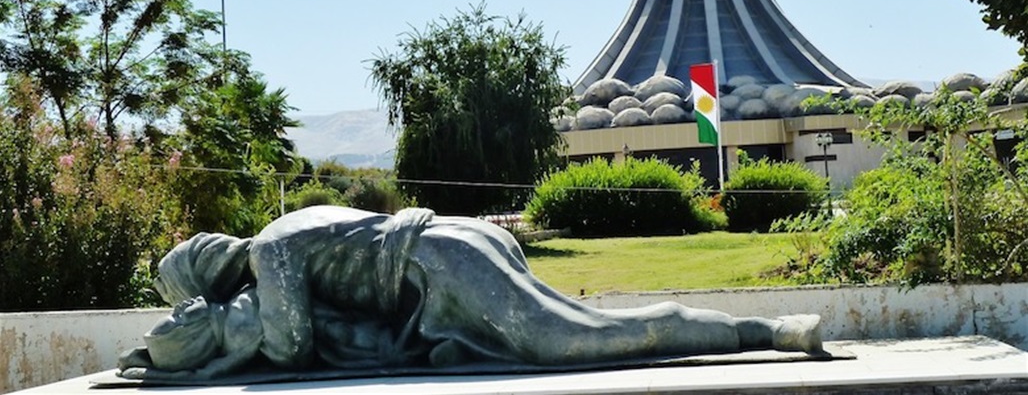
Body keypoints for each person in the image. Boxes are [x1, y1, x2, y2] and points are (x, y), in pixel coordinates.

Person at [121, 205, 822, 378]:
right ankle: (760, 331)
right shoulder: (281, 231)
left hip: (440, 262)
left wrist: (207, 359)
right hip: (449, 250)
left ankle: (765, 332)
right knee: (574, 329)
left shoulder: (271, 251)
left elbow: (290, 347)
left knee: (573, 341)